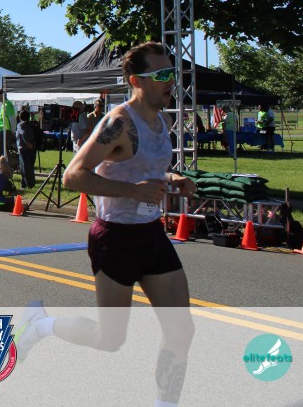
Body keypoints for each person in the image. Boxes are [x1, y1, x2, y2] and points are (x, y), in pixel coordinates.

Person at [16, 42, 196, 407]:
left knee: (181, 331)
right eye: (162, 74)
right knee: (110, 339)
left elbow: (144, 170)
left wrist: (172, 178)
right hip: (116, 239)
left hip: (152, 235)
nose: (171, 81)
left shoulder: (163, 121)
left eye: (173, 73)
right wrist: (134, 191)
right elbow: (72, 176)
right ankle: (40, 325)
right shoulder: (118, 123)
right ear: (136, 81)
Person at [16, 110, 39, 190]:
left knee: (24, 168)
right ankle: (27, 184)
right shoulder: (32, 124)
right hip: (33, 147)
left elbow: (23, 133)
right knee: (31, 167)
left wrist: (27, 143)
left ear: (20, 117)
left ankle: (28, 184)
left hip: (23, 148)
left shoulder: (20, 125)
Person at [0, 88, 16, 158]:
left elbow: (12, 119)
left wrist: (13, 130)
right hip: (2, 130)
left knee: (4, 151)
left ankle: (6, 164)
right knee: (2, 150)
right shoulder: (4, 104)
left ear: (2, 95)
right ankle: (4, 163)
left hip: (5, 130)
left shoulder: (8, 105)